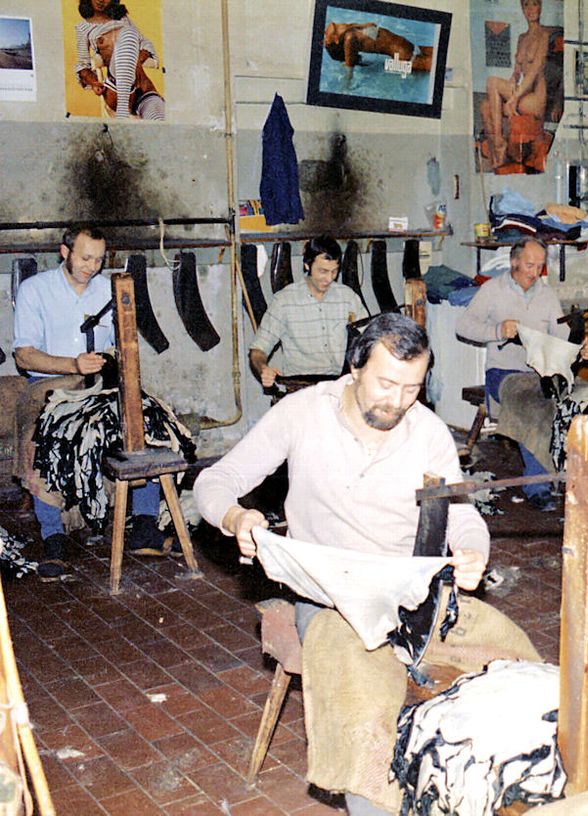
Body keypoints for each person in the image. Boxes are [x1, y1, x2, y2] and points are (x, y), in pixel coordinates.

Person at [194, 314, 539, 816]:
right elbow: (214, 481)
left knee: (521, 672)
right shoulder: (303, 413)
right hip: (330, 599)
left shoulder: (427, 431)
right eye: (385, 384)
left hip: (412, 593)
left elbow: (461, 514)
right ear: (355, 366)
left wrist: (472, 552)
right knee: (365, 716)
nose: (397, 401)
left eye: (412, 389)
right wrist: (235, 516)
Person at [12, 225, 173, 580]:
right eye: (85, 258)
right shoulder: (35, 290)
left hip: (100, 383)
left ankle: (144, 524)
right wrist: (72, 364)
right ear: (64, 252)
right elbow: (24, 355)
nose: (92, 267)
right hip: (50, 383)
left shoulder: (109, 290)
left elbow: (122, 343)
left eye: (99, 260)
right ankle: (53, 537)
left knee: (147, 422)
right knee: (41, 436)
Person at [456, 237, 588, 511]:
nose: (535, 272)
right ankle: (537, 485)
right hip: (504, 372)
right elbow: (463, 326)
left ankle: (584, 477)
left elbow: (561, 335)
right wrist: (497, 331)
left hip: (543, 371)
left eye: (540, 266)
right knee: (534, 404)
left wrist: (581, 348)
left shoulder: (546, 294)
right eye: (530, 265)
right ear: (514, 261)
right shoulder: (493, 290)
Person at [249, 236, 368, 390]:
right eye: (323, 271)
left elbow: (370, 338)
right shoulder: (285, 301)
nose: (329, 278)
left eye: (334, 271)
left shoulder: (348, 298)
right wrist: (263, 369)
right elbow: (258, 350)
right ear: (307, 265)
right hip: (301, 388)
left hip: (341, 385)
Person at [479, 0, 549, 168]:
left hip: (536, 99)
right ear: (522, 8)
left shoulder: (544, 35)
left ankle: (499, 141)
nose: (530, 9)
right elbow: (517, 72)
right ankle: (498, 154)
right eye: (526, 5)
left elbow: (533, 72)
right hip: (523, 94)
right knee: (485, 106)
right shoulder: (521, 38)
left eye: (534, 4)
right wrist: (512, 82)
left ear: (540, 6)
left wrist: (514, 97)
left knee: (492, 82)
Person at [74, 0, 165, 120]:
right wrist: (93, 82)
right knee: (129, 33)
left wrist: (138, 57)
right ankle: (123, 105)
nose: (101, 0)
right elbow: (82, 65)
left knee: (158, 120)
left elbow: (144, 42)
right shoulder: (83, 28)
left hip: (142, 87)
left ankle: (125, 112)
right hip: (115, 87)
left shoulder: (123, 19)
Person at [323, 21, 434, 86]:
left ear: (337, 40)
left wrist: (345, 86)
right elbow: (374, 29)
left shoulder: (349, 40)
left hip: (403, 56)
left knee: (438, 68)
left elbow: (349, 71)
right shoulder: (357, 27)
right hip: (406, 45)